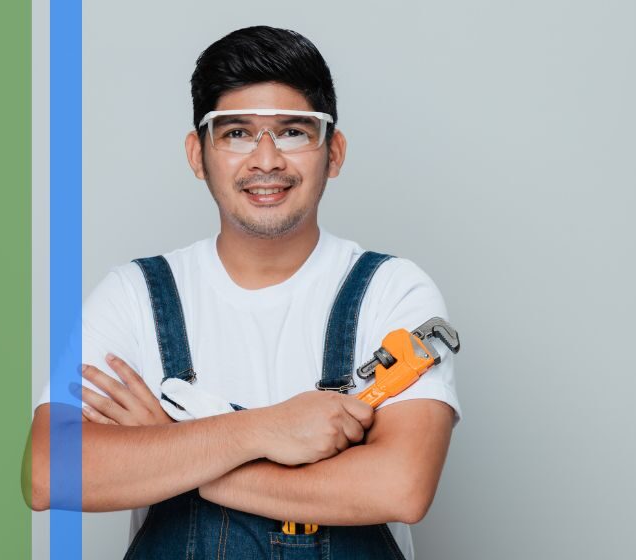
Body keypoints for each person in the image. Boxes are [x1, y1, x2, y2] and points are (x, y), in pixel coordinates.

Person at [25, 25, 461, 560]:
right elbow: (50, 472)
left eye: (294, 132)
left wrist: (179, 452)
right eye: (235, 133)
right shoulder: (133, 295)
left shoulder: (391, 291)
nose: (266, 160)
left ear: (335, 151)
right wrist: (261, 430)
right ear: (197, 154)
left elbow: (400, 487)